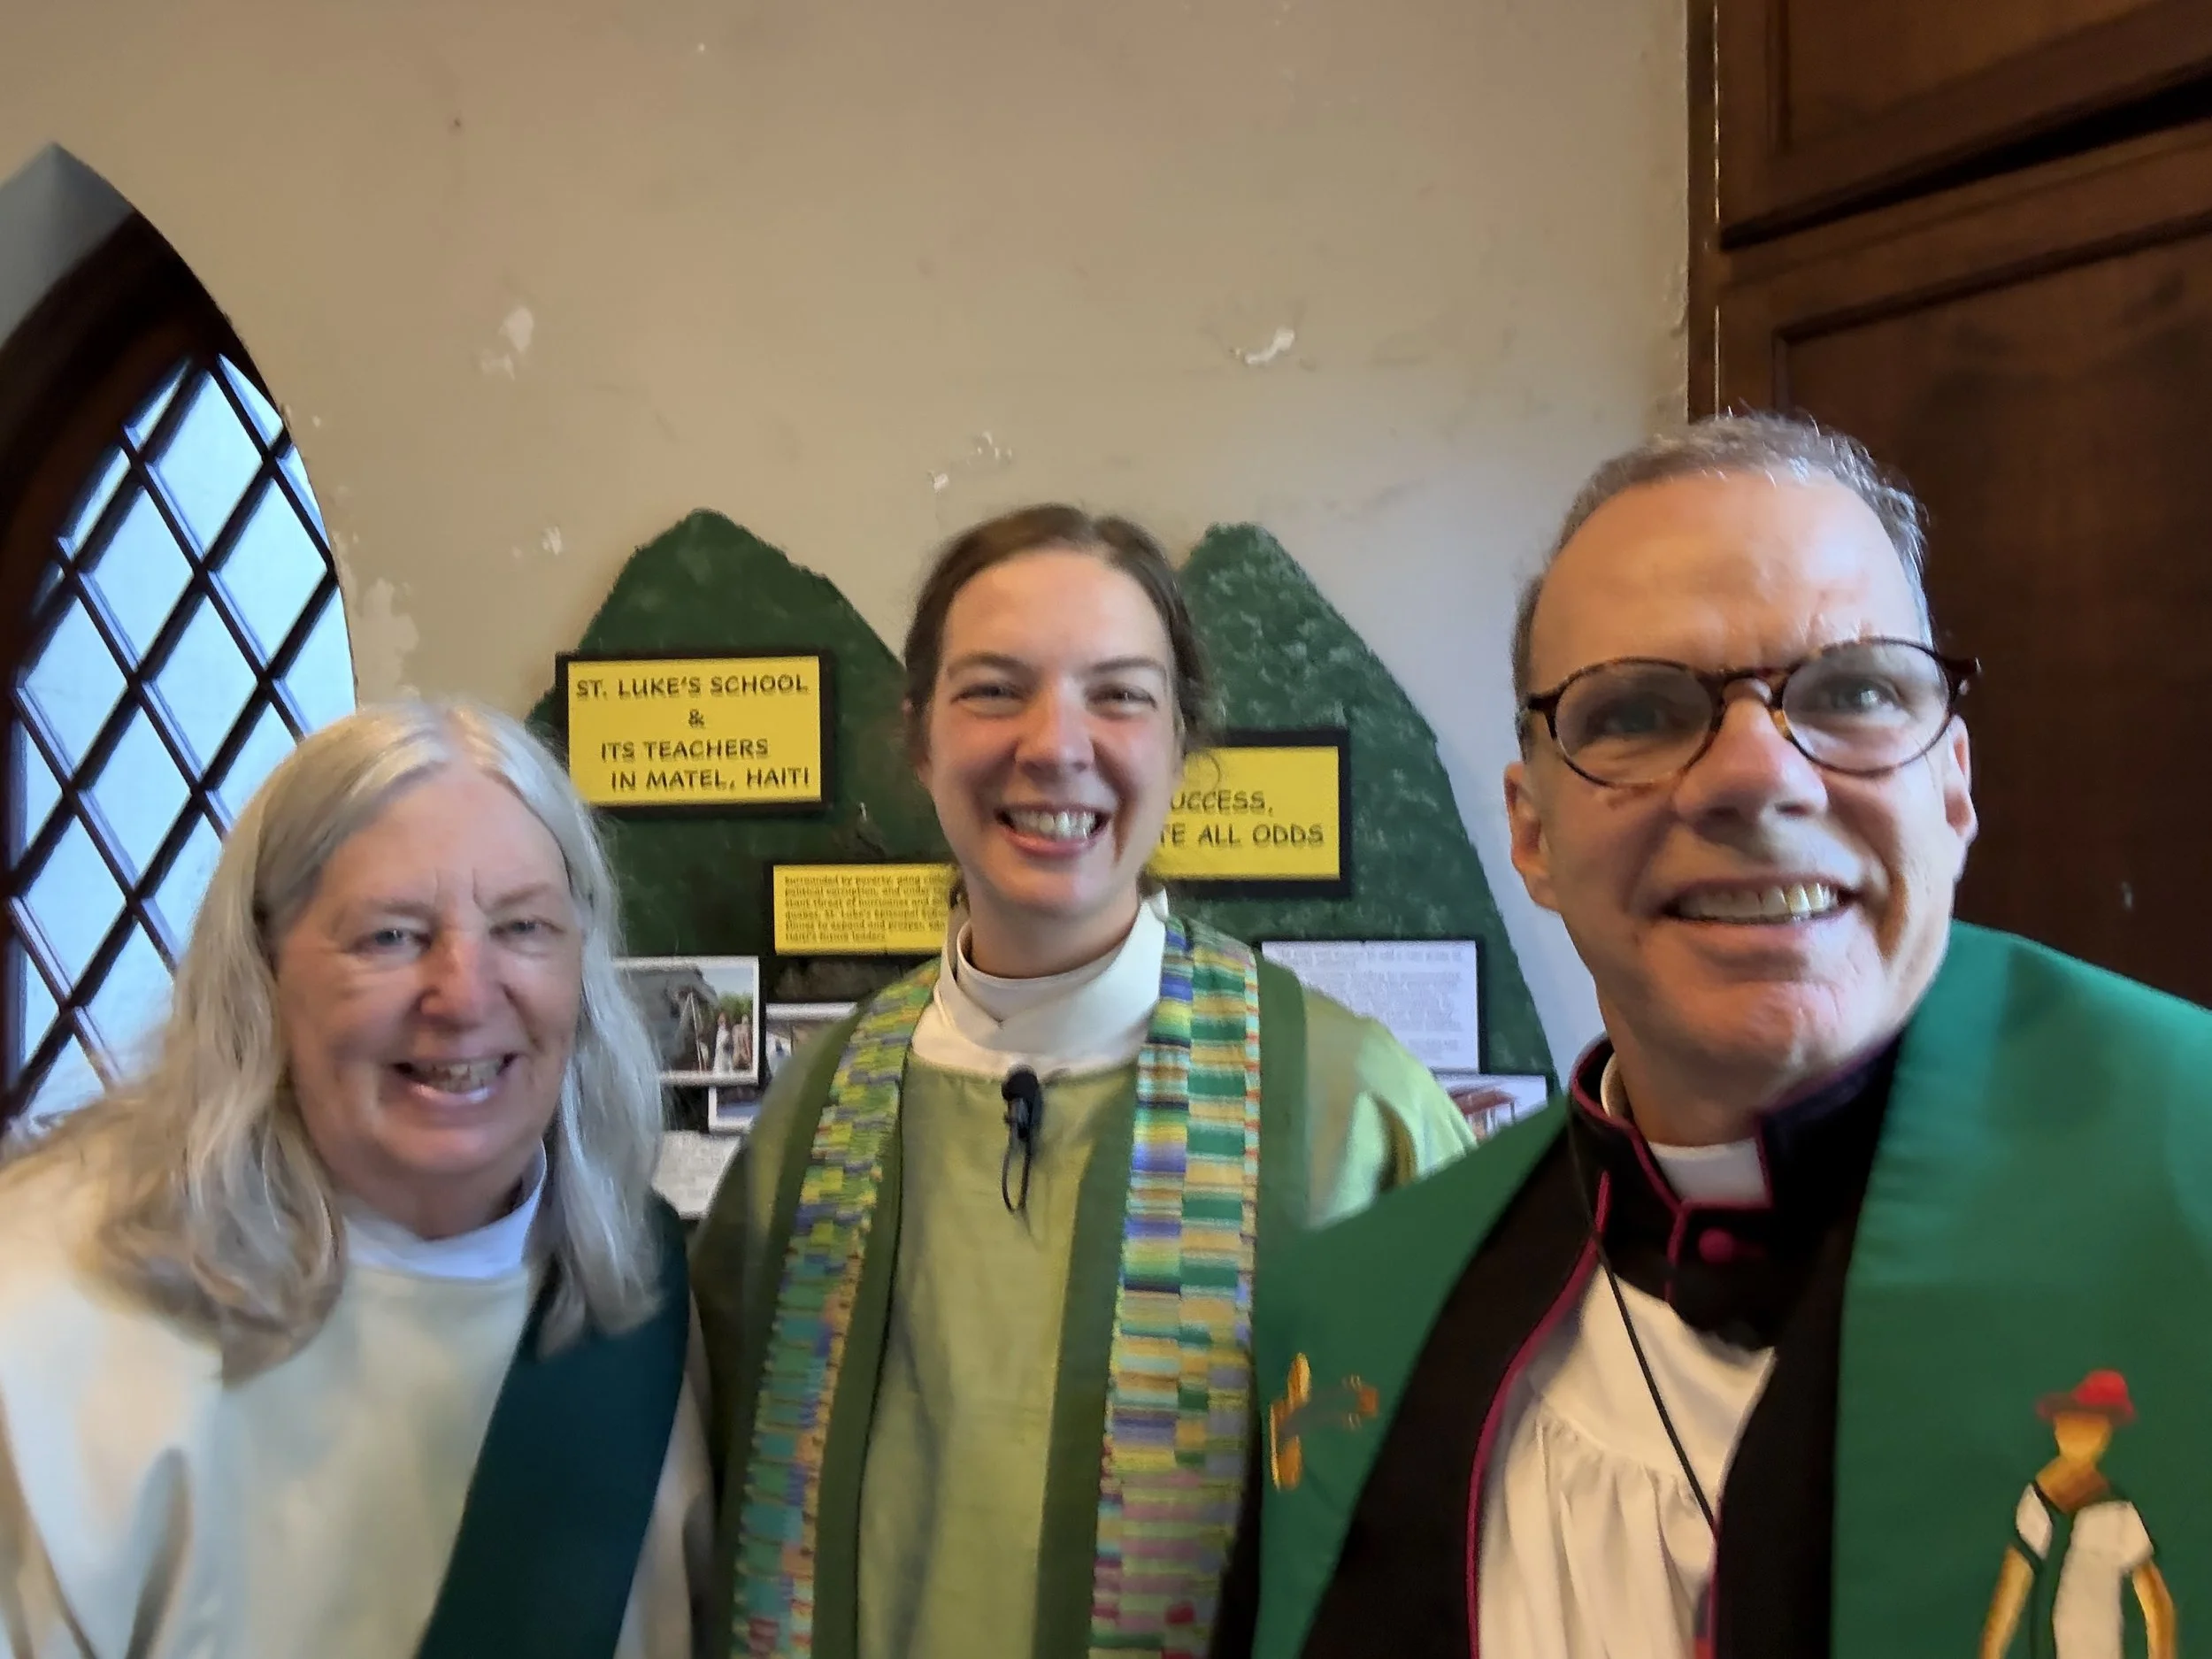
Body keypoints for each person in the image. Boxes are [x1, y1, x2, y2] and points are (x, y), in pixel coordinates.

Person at [1230, 414, 2212, 1658]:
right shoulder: (1359, 1314)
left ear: (1953, 783)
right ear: (1531, 833)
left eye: (1853, 691)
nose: (1757, 775)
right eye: (1637, 711)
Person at [691, 504, 1472, 1659]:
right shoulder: (814, 1116)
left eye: (1118, 694)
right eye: (994, 689)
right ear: (919, 736)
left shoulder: (1354, 1113)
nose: (1055, 743)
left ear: (1181, 739)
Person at [0, 701, 710, 1659]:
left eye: (523, 926)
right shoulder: (45, 1301)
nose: (463, 994)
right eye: (389, 936)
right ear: (261, 966)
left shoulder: (642, 1293)